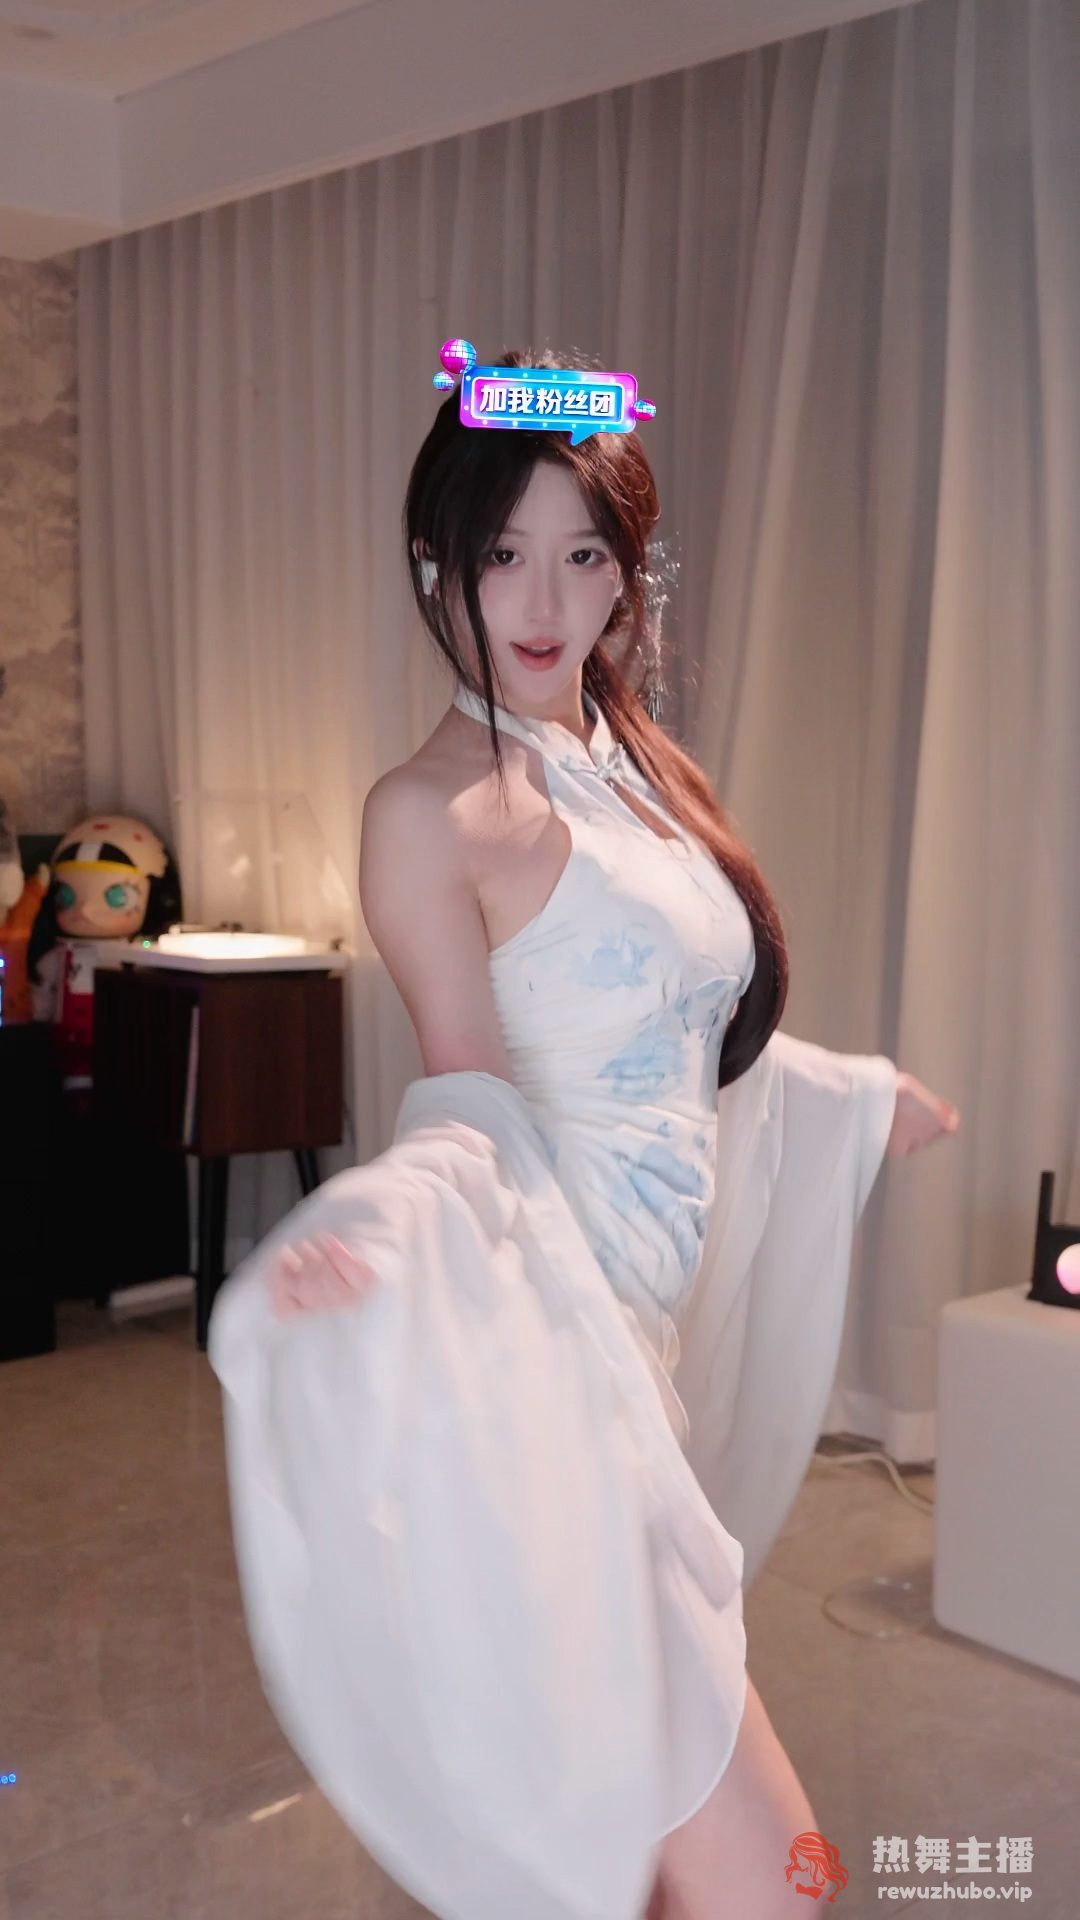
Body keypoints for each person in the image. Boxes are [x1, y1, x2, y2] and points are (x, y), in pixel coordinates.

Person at [265, 346, 960, 1918]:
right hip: (542, 1375)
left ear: (628, 573)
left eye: (584, 556)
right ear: (435, 562)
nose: (543, 600)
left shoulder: (637, 772)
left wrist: (846, 1091)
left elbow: (668, 1037)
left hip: (639, 1353)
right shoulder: (429, 813)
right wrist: (378, 1222)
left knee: (624, 1865)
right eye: (502, 553)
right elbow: (471, 1103)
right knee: (772, 1879)